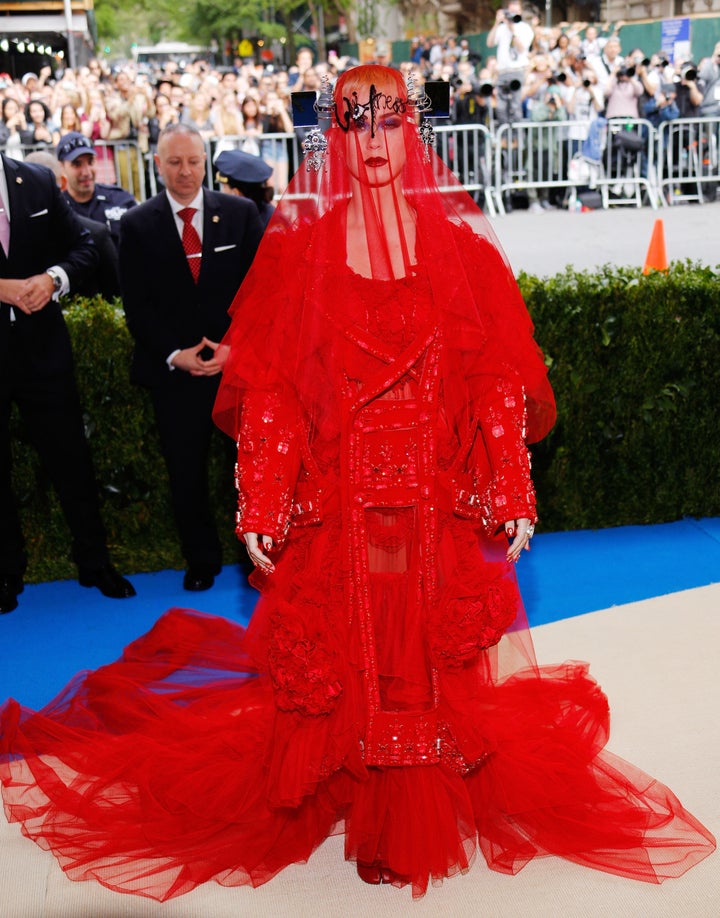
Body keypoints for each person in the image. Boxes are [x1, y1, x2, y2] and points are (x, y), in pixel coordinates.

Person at [0, 65, 714, 900]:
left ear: (411, 128)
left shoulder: (462, 251)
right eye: (356, 123)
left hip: (432, 490)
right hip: (340, 495)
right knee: (353, 649)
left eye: (387, 121)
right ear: (337, 135)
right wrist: (264, 497)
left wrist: (511, 485)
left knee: (421, 648)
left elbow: (493, 377)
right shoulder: (301, 253)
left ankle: (413, 799)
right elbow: (272, 382)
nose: (373, 141)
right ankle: (361, 790)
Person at [119, 123, 263, 592]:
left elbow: (265, 288)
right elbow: (135, 304)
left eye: (194, 161)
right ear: (158, 164)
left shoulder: (242, 214)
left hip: (236, 369)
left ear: (206, 161)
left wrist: (235, 347)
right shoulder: (137, 225)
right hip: (176, 376)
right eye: (175, 162)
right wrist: (174, 354)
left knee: (250, 472)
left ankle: (257, 557)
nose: (186, 171)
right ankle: (200, 559)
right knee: (186, 471)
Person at [0, 153, 135, 614]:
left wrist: (53, 278)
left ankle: (94, 561)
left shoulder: (35, 180)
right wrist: (2, 287)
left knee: (72, 460)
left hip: (44, 351)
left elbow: (85, 245)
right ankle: (6, 571)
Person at [25, 150, 121, 300]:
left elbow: (116, 296)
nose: (36, 198)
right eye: (29, 189)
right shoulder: (9, 238)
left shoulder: (95, 234)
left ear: (62, 184)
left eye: (43, 189)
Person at [56, 132, 137, 249]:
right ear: (62, 167)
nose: (86, 172)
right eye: (76, 164)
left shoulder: (120, 199)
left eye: (90, 162)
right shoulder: (58, 209)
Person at [486, 0, 534, 124]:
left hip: (517, 70)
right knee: (501, 108)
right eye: (510, 12)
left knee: (515, 106)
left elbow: (521, 48)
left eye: (515, 11)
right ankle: (504, 137)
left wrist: (512, 30)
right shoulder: (501, 28)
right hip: (502, 71)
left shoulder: (525, 28)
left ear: (520, 12)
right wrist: (497, 22)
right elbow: (490, 43)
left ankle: (517, 139)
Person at [214, 148, 276, 230]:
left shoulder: (270, 222)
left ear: (235, 193)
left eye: (224, 187)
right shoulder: (240, 215)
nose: (221, 192)